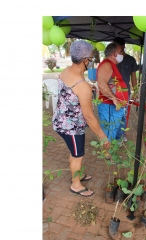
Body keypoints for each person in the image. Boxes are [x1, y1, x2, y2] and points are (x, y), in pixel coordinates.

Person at [52, 41, 110, 197]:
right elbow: (89, 117)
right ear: (85, 59)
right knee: (77, 154)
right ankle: (76, 185)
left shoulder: (67, 71)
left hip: (61, 121)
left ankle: (78, 175)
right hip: (71, 127)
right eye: (91, 58)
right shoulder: (81, 85)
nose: (91, 61)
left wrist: (85, 90)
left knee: (74, 151)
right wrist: (103, 137)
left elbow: (71, 91)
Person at [97, 42, 129, 148]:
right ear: (115, 54)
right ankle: (108, 156)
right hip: (109, 106)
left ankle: (111, 152)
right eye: (121, 52)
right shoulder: (106, 64)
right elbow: (101, 84)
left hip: (115, 106)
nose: (122, 54)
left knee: (114, 129)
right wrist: (114, 99)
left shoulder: (112, 65)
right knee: (109, 131)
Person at [113, 37, 138, 142]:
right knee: (113, 113)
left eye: (117, 46)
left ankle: (122, 134)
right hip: (112, 91)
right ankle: (113, 135)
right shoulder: (111, 58)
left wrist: (135, 91)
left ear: (122, 46)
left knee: (124, 114)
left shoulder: (131, 59)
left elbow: (134, 77)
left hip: (124, 92)